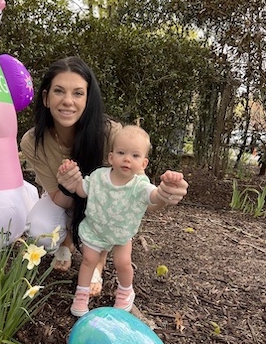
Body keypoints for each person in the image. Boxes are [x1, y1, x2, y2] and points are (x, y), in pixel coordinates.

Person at [57, 125, 188, 316]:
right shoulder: (98, 177)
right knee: (88, 260)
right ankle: (81, 294)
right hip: (95, 229)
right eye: (121, 152)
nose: (127, 159)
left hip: (121, 232)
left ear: (144, 164)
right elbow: (82, 190)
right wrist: (72, 177)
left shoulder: (139, 185)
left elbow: (154, 196)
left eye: (135, 156)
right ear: (111, 158)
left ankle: (126, 292)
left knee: (123, 262)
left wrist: (166, 187)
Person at [20, 56, 122, 296]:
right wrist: (68, 187)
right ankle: (67, 241)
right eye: (58, 91)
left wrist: (162, 195)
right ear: (45, 98)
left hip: (104, 205)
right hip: (64, 200)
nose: (68, 101)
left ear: (88, 99)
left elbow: (128, 191)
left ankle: (99, 259)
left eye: (78, 93)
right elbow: (57, 197)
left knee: (109, 201)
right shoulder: (33, 141)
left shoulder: (110, 134)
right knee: (39, 230)